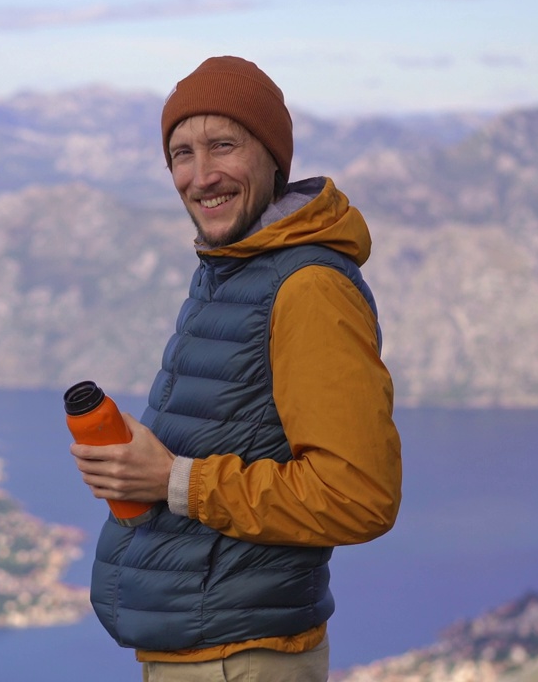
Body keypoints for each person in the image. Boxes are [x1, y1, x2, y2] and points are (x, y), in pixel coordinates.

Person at [70, 55, 403, 682]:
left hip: (242, 661)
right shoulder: (235, 269)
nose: (201, 176)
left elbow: (358, 496)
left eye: (223, 145)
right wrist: (136, 471)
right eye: (181, 155)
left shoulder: (307, 287)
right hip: (207, 652)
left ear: (273, 160)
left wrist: (173, 479)